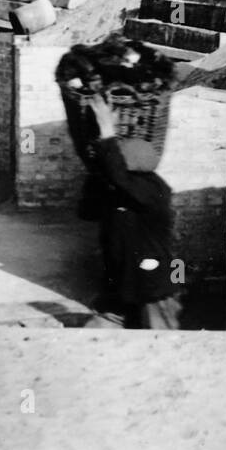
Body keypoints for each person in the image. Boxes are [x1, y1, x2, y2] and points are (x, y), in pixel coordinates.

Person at [87, 95, 181, 329]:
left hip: (153, 289)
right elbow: (90, 206)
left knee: (160, 341)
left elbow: (118, 175)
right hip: (124, 285)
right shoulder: (124, 192)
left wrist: (108, 132)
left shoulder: (152, 190)